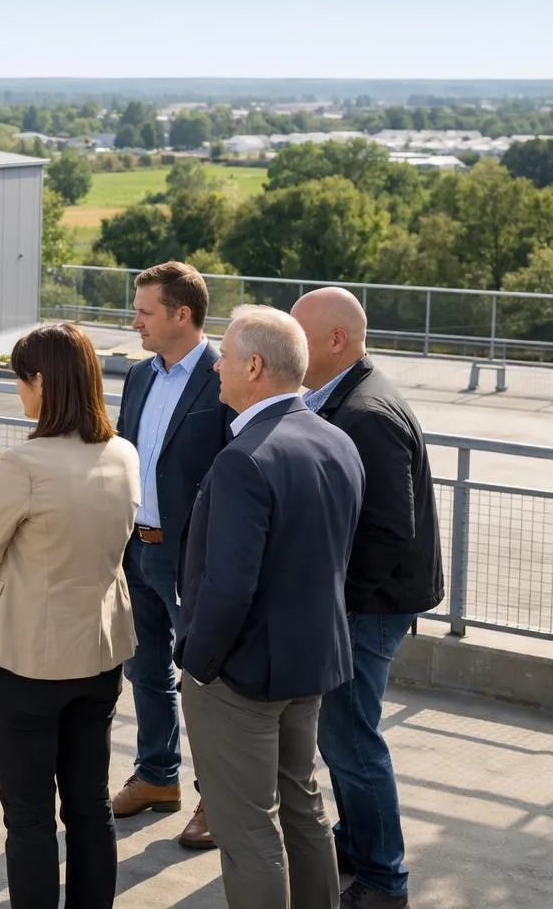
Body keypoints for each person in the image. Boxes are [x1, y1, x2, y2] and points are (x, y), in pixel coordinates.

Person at [176, 304, 365, 909]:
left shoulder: (244, 459)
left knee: (248, 830)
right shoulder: (337, 441)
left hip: (241, 675)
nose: (216, 366)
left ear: (254, 366)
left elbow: (229, 587)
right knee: (304, 809)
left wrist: (198, 663)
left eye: (225, 356)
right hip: (310, 663)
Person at [0, 322, 142, 909]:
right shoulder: (123, 454)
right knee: (90, 805)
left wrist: (10, 594)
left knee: (31, 817)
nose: (19, 390)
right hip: (99, 654)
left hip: (26, 665)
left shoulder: (24, 464)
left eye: (20, 379)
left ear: (40, 381)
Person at [291, 287, 443, 909]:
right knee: (342, 736)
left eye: (302, 336)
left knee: (352, 740)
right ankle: (355, 841)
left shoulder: (368, 413)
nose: (291, 347)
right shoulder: (344, 397)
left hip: (368, 609)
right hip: (365, 604)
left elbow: (386, 532)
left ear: (336, 341)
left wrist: (340, 604)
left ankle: (384, 880)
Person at [112, 261, 234, 851]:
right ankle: (158, 777)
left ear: (181, 315)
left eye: (144, 312)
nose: (134, 321)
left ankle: (219, 797)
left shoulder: (226, 377)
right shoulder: (138, 376)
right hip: (138, 547)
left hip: (194, 558)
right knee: (146, 669)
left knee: (205, 681)